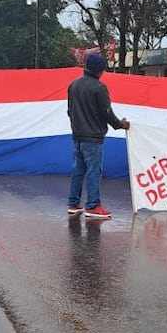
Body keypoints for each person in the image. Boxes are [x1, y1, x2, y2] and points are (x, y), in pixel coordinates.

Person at [66, 53, 130, 220]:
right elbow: (106, 113)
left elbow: (69, 111)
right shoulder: (99, 88)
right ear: (98, 71)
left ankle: (73, 203)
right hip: (93, 138)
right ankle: (93, 206)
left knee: (77, 171)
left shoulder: (73, 85)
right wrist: (120, 124)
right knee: (94, 172)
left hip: (77, 136)